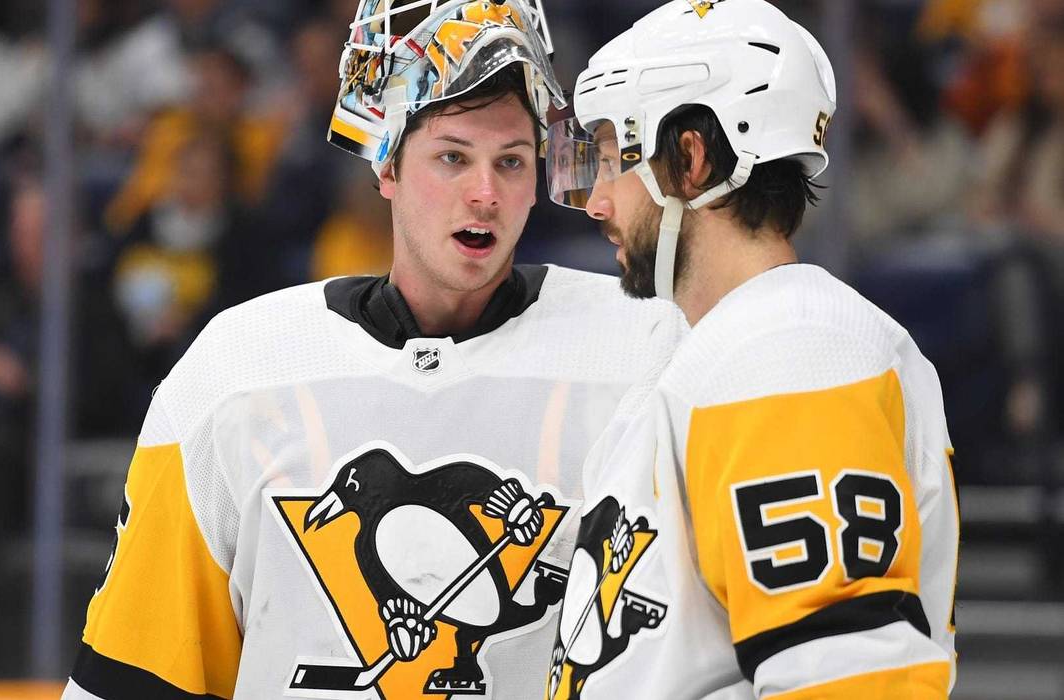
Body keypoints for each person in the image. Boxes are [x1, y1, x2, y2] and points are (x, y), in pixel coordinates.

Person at [62, 0, 686, 698]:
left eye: (511, 162)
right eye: (452, 157)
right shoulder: (234, 372)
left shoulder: (644, 352)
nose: (486, 193)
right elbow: (135, 676)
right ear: (385, 166)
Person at [542, 1, 959, 697]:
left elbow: (845, 682)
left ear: (689, 159)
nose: (595, 203)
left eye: (611, 159)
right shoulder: (733, 348)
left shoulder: (787, 351)